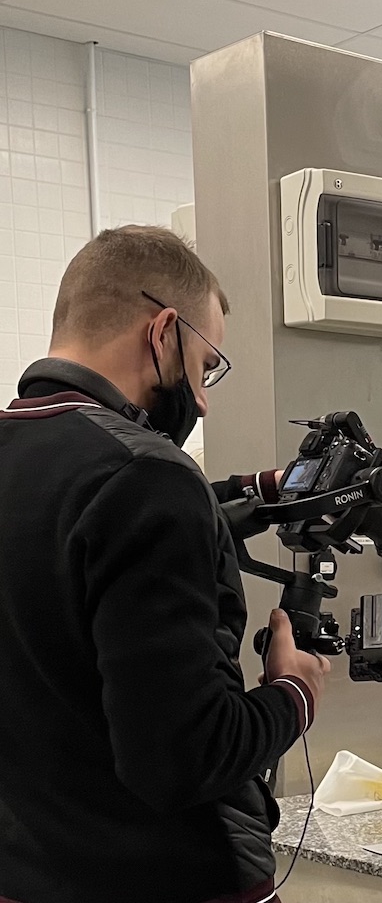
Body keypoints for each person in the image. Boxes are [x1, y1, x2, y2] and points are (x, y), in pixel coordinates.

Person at [0, 226, 337, 903]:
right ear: (162, 334)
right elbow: (185, 759)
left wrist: (265, 490)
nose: (204, 399)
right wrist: (293, 693)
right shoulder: (149, 478)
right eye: (207, 366)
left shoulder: (53, 465)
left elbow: (72, 544)